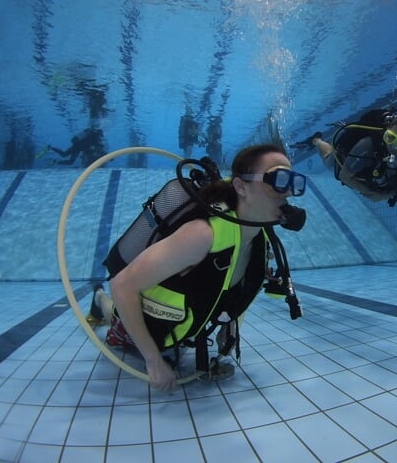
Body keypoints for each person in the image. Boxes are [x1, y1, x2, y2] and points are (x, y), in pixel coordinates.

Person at [89, 144, 307, 392]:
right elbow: (122, 285)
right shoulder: (202, 235)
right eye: (277, 179)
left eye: (294, 181)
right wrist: (153, 361)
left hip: (185, 317)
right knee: (114, 312)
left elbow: (232, 283)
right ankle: (98, 299)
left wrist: (230, 323)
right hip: (147, 317)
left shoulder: (260, 235)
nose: (288, 191)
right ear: (240, 187)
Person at [310, 111, 397, 205]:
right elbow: (344, 176)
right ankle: (316, 140)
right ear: (385, 133)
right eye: (390, 138)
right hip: (351, 156)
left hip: (370, 174)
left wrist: (384, 195)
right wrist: (369, 192)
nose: (393, 146)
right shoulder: (368, 144)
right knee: (328, 161)